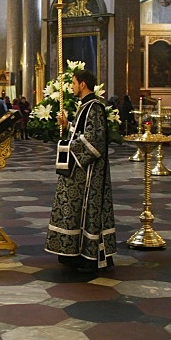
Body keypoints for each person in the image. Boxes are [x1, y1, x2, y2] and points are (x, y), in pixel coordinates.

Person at [46, 69, 116, 273]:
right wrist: (68, 126)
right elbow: (82, 134)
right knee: (71, 208)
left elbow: (95, 142)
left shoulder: (94, 107)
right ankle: (74, 253)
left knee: (85, 210)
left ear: (83, 84)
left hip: (89, 173)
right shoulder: (84, 107)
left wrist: (69, 147)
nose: (72, 87)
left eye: (74, 83)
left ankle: (88, 256)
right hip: (79, 170)